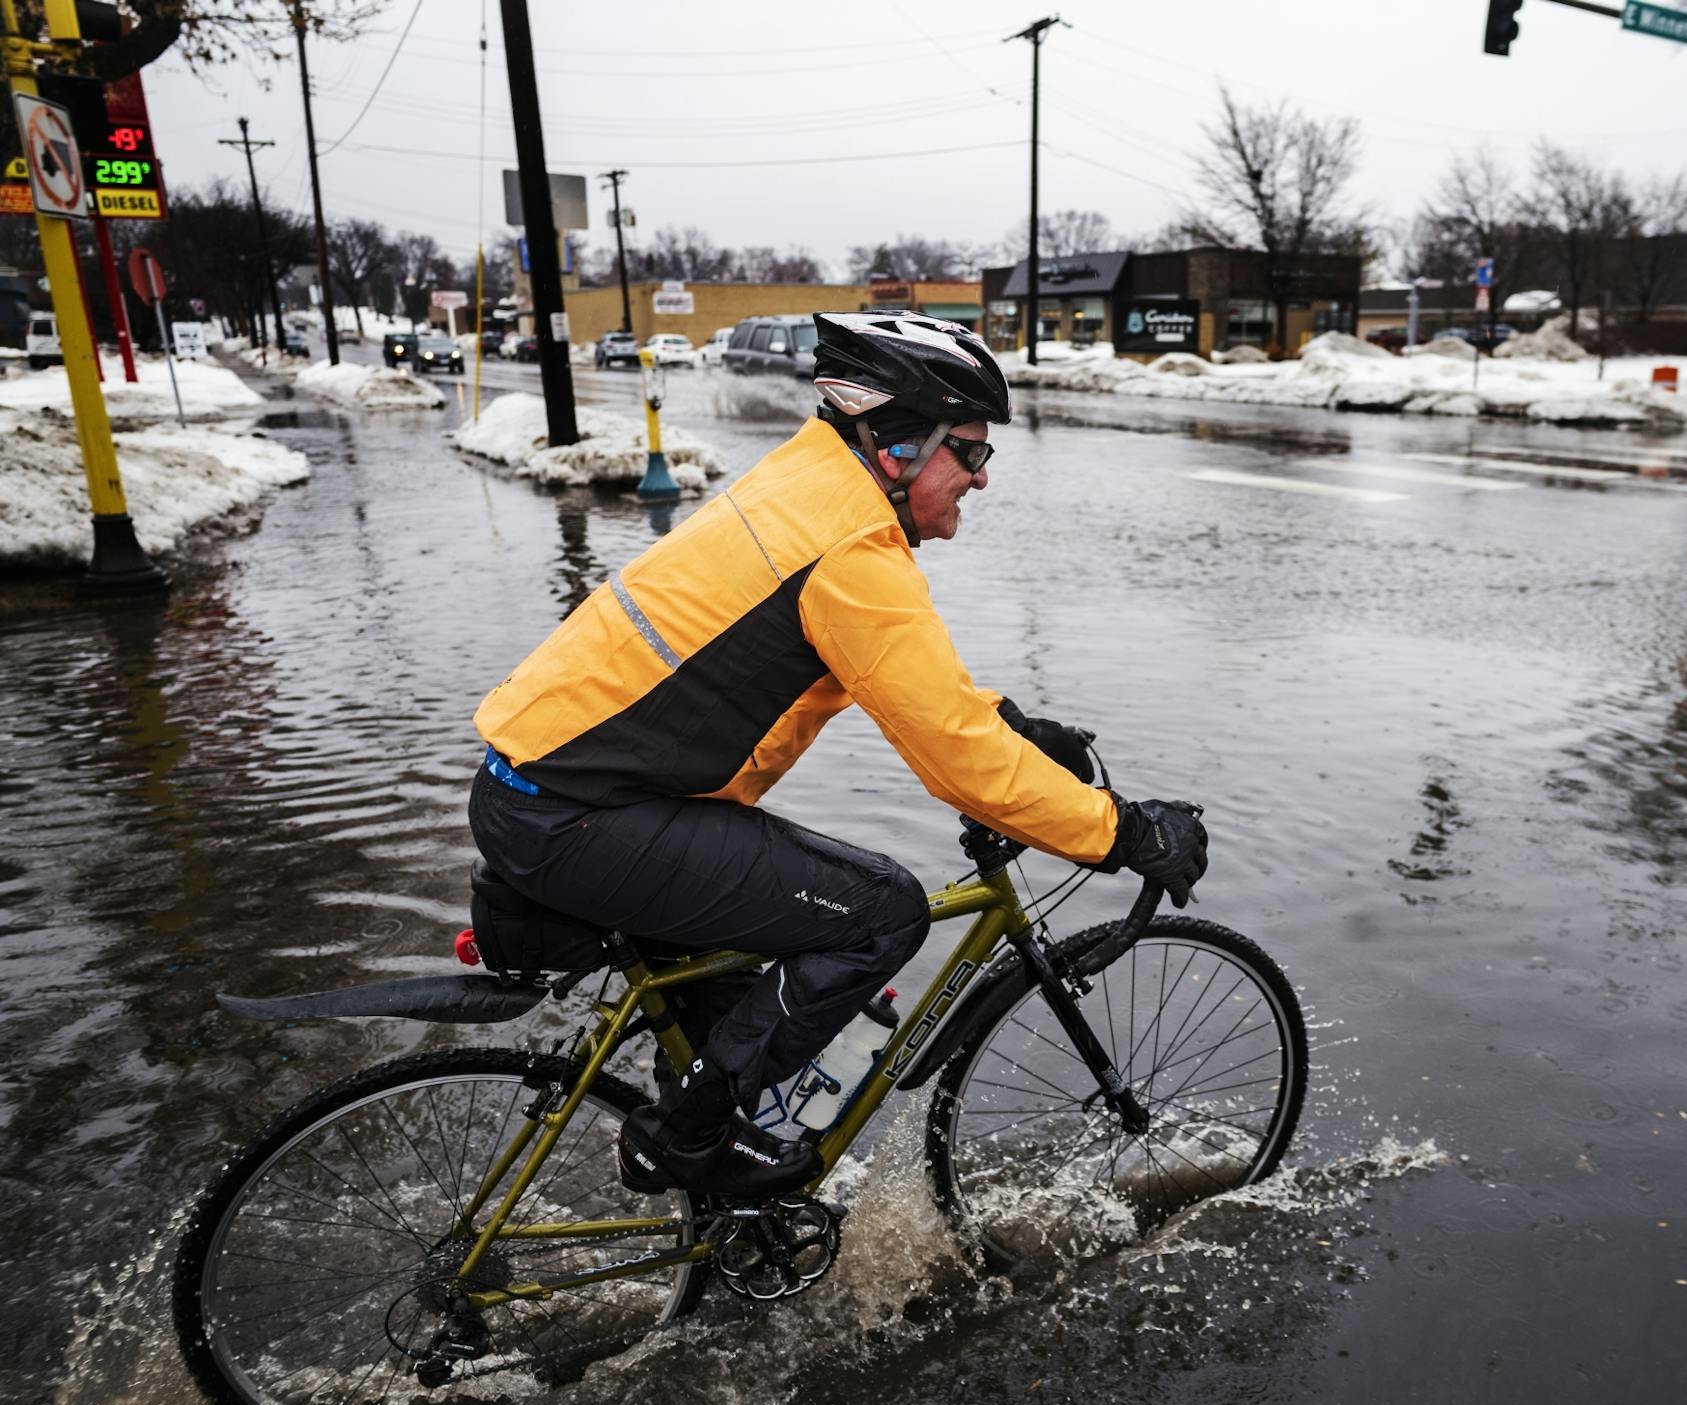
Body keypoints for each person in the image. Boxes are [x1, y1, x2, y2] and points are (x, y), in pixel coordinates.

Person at [466, 310, 1208, 1199]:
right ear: (896, 446)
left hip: (555, 793)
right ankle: (683, 1138)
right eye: (970, 452)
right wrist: (1118, 832)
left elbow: (900, 682)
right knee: (879, 913)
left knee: (738, 998)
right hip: (585, 817)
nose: (981, 478)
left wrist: (1008, 727)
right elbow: (951, 756)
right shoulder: (851, 547)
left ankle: (717, 1197)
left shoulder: (810, 487)